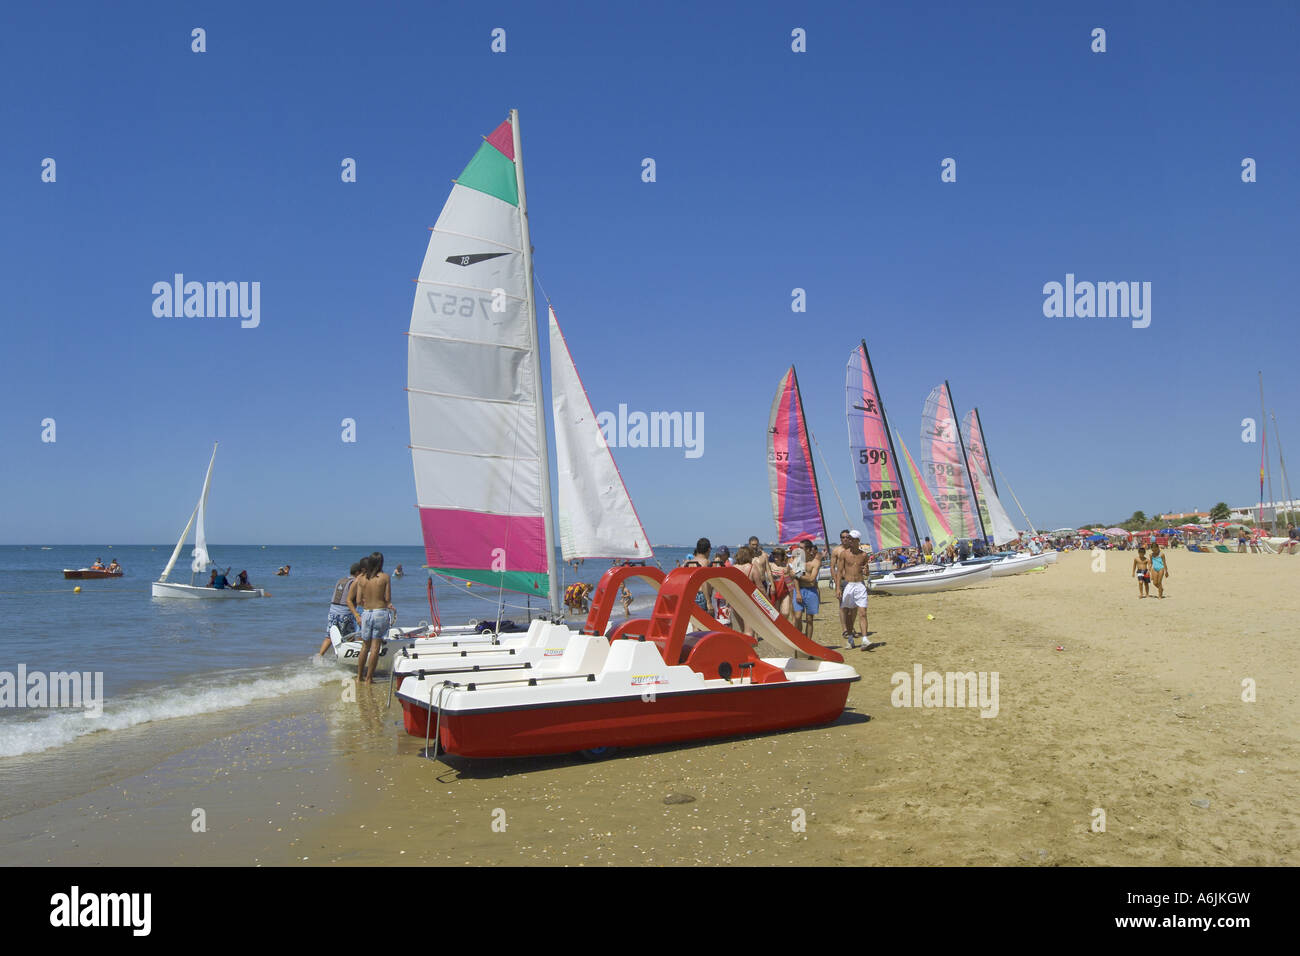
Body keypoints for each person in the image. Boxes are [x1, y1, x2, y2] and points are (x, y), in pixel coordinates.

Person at [348, 553, 394, 684]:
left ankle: (359, 677)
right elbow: (387, 598)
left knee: (364, 646)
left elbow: (358, 600)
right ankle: (369, 678)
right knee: (375, 647)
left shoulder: (361, 579)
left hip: (366, 613)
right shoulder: (385, 577)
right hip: (380, 612)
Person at [834, 531, 873, 649]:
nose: (849, 541)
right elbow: (839, 572)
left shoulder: (864, 555)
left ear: (858, 541)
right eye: (849, 539)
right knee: (849, 614)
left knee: (862, 613)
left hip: (860, 585)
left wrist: (866, 572)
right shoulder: (844, 554)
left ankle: (865, 639)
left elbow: (867, 573)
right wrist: (837, 588)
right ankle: (850, 638)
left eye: (852, 539)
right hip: (848, 585)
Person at [319, 562, 362, 656]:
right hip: (345, 613)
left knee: (329, 636)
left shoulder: (341, 580)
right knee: (349, 637)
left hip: (332, 611)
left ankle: (319, 655)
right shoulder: (354, 582)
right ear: (358, 572)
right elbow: (355, 599)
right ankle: (346, 657)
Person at [792, 540, 822, 643]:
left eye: (801, 548)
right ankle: (797, 639)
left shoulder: (816, 562)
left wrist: (797, 575)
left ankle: (808, 642)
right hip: (799, 590)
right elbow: (795, 579)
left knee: (809, 619)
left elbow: (811, 579)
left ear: (808, 550)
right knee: (797, 616)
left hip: (811, 591)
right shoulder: (798, 560)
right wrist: (798, 592)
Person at [683, 537, 712, 613]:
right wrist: (708, 602)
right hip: (702, 595)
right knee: (705, 621)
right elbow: (704, 582)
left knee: (696, 621)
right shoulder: (706, 562)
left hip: (691, 595)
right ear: (708, 550)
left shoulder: (689, 562)